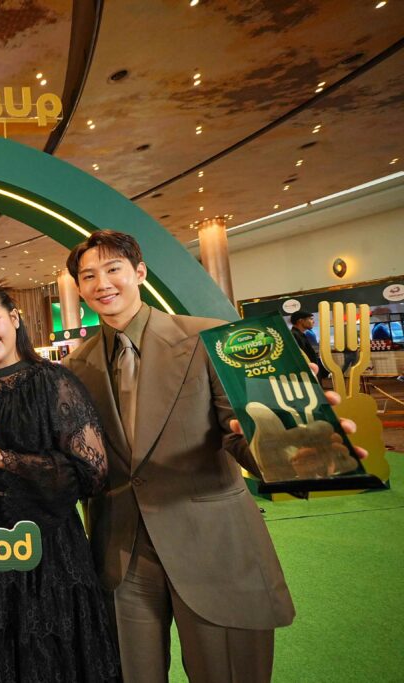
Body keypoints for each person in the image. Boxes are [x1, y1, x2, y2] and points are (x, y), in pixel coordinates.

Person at [65, 230, 298, 682]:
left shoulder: (209, 339)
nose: (102, 283)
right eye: (89, 276)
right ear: (79, 287)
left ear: (139, 273)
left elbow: (242, 432)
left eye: (113, 269)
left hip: (210, 545)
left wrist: (293, 447)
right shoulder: (77, 367)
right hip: (122, 555)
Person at [0, 281, 120, 683]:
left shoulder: (53, 381)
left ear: (15, 318)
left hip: (40, 543)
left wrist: (6, 460)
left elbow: (91, 470)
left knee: (43, 651)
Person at [290, 311, 330, 380]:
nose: (313, 322)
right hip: (306, 374)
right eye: (311, 319)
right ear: (300, 321)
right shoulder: (294, 335)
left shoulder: (300, 334)